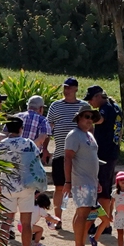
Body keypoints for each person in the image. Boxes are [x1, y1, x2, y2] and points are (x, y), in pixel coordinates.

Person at [0, 116, 44, 246]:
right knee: (26, 222)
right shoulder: (28, 144)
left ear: (7, 128)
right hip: (26, 186)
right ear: (21, 128)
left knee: (6, 222)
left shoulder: (0, 145)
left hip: (7, 186)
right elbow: (37, 164)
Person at [44, 77, 85, 227]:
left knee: (80, 187)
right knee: (59, 187)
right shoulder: (55, 106)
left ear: (76, 89)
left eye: (69, 87)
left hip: (80, 156)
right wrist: (45, 148)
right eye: (65, 87)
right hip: (60, 153)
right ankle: (58, 219)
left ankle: (80, 220)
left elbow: (90, 128)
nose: (66, 90)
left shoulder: (83, 106)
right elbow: (48, 129)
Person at [85, 86, 122, 246]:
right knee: (104, 189)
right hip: (111, 152)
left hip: (104, 154)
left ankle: (102, 223)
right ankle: (103, 223)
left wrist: (85, 117)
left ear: (99, 96)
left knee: (101, 191)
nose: (90, 102)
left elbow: (99, 120)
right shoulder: (115, 107)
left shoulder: (106, 109)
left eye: (91, 99)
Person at [64, 107, 103, 246]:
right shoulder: (74, 135)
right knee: (82, 214)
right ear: (79, 118)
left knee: (82, 214)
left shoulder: (89, 135)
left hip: (90, 181)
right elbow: (67, 158)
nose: (89, 119)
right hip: (81, 181)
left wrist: (97, 180)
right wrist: (68, 181)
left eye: (92, 117)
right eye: (86, 116)